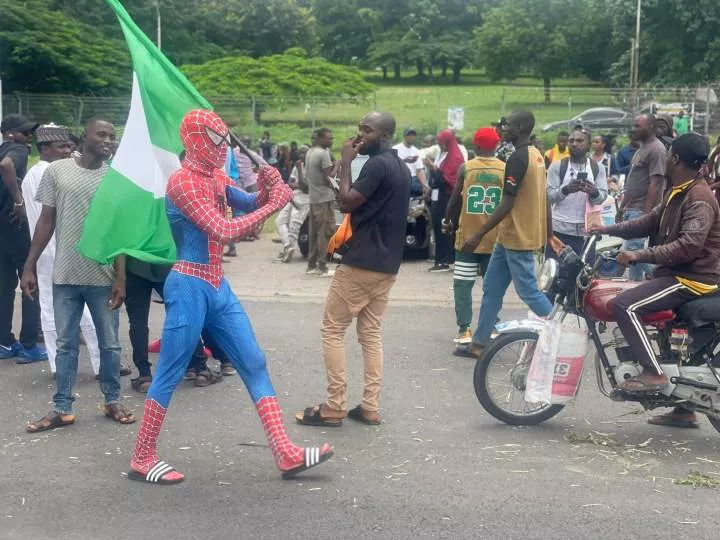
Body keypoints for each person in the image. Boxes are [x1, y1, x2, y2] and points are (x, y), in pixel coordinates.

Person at [127, 110, 332, 485]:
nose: (223, 148)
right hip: (189, 283)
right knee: (171, 369)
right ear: (196, 140)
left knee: (253, 360)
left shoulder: (215, 177)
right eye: (216, 140)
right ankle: (142, 456)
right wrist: (275, 204)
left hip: (216, 283)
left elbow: (248, 203)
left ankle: (285, 451)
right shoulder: (183, 182)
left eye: (225, 140)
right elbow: (222, 230)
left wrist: (269, 186)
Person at [295, 111, 410, 428]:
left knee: (332, 330)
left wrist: (345, 161)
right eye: (359, 127)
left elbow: (346, 203)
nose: (360, 135)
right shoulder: (399, 166)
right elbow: (354, 197)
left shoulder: (376, 165)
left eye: (367, 130)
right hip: (387, 264)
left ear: (384, 135)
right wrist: (340, 172)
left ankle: (334, 406)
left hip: (362, 262)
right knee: (370, 334)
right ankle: (370, 406)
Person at [22, 118, 134, 432]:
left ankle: (112, 400)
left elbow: (119, 232)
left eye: (112, 136)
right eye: (102, 134)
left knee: (110, 345)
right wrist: (29, 266)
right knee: (65, 345)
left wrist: (121, 277)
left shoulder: (115, 179)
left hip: (103, 276)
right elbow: (46, 221)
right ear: (83, 137)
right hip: (65, 275)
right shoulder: (57, 172)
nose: (108, 140)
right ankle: (62, 409)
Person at [590, 134, 720, 399]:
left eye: (669, 154)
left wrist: (640, 256)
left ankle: (654, 373)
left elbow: (688, 247)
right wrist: (607, 230)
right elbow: (649, 222)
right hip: (679, 272)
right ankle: (684, 410)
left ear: (675, 159)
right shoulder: (679, 190)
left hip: (693, 278)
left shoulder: (699, 197)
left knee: (625, 305)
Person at [461, 110, 561, 359]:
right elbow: (544, 197)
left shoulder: (518, 158)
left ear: (521, 128)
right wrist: (548, 232)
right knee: (492, 290)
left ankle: (562, 335)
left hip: (518, 236)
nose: (503, 129)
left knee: (528, 291)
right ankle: (478, 344)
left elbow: (507, 202)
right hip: (509, 237)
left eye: (508, 125)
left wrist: (477, 234)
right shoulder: (537, 155)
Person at [21, 124, 101, 373]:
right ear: (45, 148)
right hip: (57, 248)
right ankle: (100, 363)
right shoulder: (50, 173)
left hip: (47, 250)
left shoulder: (37, 172)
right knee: (82, 305)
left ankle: (61, 366)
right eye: (62, 146)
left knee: (52, 305)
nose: (68, 150)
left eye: (69, 145)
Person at [443, 127, 505, 349]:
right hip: (495, 240)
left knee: (463, 284)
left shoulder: (466, 168)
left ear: (476, 146)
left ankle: (464, 328)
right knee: (493, 286)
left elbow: (454, 201)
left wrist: (447, 221)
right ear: (496, 146)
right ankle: (491, 325)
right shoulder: (505, 170)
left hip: (467, 240)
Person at [0, 114, 46, 362]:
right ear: (10, 132)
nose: (28, 137)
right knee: (30, 282)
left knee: (4, 286)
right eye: (24, 132)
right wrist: (19, 200)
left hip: (1, 229)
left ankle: (4, 343)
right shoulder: (15, 149)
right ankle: (29, 345)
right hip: (16, 225)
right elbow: (7, 165)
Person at [619, 114, 667, 281]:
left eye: (638, 126)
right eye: (633, 125)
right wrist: (622, 206)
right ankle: (654, 279)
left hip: (641, 210)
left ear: (651, 127)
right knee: (633, 253)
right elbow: (633, 180)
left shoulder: (657, 149)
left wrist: (646, 214)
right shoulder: (641, 149)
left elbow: (656, 183)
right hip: (631, 209)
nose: (634, 129)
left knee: (632, 252)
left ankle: (656, 279)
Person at [547, 129, 608, 256]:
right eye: (571, 141)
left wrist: (593, 192)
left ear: (588, 145)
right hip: (559, 232)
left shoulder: (598, 168)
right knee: (556, 274)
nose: (574, 144)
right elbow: (548, 197)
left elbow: (602, 197)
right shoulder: (557, 166)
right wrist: (566, 189)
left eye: (579, 141)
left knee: (583, 274)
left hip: (586, 234)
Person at [424, 129, 465, 272]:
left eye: (441, 142)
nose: (439, 145)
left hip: (447, 197)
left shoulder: (455, 157)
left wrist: (431, 166)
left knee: (444, 227)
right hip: (437, 195)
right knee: (436, 226)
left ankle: (444, 260)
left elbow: (444, 180)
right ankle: (440, 258)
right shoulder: (444, 155)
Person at [224, 138, 266, 256]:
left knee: (252, 210)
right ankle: (241, 237)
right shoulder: (233, 151)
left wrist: (258, 172)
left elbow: (263, 164)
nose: (244, 145)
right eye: (243, 142)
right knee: (233, 214)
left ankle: (250, 232)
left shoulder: (250, 154)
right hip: (237, 184)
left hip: (247, 182)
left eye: (247, 143)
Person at [305, 127, 337, 276]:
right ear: (320, 138)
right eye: (329, 138)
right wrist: (338, 164)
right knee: (324, 232)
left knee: (314, 232)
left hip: (313, 198)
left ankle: (311, 265)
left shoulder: (310, 152)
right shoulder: (323, 154)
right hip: (324, 198)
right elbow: (329, 177)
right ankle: (322, 267)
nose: (331, 141)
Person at [275, 145, 310, 262]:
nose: (301, 155)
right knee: (279, 221)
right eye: (300, 153)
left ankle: (289, 248)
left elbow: (306, 188)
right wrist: (300, 184)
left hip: (305, 200)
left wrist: (300, 170)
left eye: (304, 153)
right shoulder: (297, 165)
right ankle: (287, 246)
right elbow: (290, 182)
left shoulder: (312, 168)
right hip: (293, 196)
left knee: (294, 224)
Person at [393, 128, 427, 196]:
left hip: (413, 178)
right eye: (409, 135)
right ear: (404, 136)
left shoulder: (416, 151)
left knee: (418, 189)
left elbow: (419, 170)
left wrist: (424, 185)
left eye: (413, 135)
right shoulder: (395, 149)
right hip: (400, 178)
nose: (411, 137)